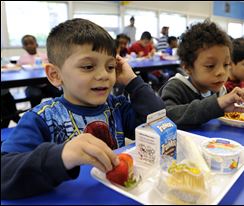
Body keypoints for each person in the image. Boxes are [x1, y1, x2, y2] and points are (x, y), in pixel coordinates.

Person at [1, 18, 165, 200]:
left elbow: (158, 122)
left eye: (110, 67)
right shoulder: (41, 118)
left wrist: (132, 81)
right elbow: (4, 173)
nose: (104, 75)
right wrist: (61, 156)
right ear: (55, 75)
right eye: (88, 66)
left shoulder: (116, 106)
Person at [158, 20, 244, 129]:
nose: (221, 72)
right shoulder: (175, 87)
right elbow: (166, 117)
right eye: (210, 66)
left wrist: (236, 104)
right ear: (188, 67)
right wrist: (217, 104)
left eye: (226, 64)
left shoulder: (219, 90)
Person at [18, 34, 62, 107]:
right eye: (26, 44)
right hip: (31, 84)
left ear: (36, 44)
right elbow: (19, 70)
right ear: (23, 47)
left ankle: (57, 109)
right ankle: (35, 112)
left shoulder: (45, 56)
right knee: (35, 95)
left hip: (46, 82)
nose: (29, 46)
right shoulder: (22, 59)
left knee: (58, 92)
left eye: (31, 43)